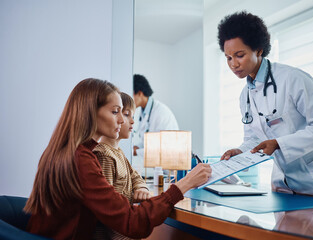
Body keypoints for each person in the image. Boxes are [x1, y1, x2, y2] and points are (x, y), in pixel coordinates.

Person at [24, 78, 211, 240]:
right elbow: (132, 223)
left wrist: (141, 187)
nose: (122, 120)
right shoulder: (82, 160)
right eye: (115, 112)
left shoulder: (61, 151)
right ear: (90, 112)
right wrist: (184, 184)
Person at [218, 11, 313, 199]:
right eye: (228, 58)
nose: (233, 64)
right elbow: (254, 138)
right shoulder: (245, 95)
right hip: (286, 184)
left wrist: (278, 144)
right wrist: (240, 151)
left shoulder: (292, 78)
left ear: (258, 50)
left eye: (240, 55)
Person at [93, 92, 150, 240]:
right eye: (126, 115)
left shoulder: (117, 152)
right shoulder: (104, 155)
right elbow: (108, 212)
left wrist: (141, 187)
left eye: (133, 116)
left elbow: (134, 175)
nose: (132, 121)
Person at [132, 74, 179, 176]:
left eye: (131, 95)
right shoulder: (144, 112)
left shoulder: (161, 113)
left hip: (169, 171)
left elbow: (161, 148)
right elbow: (147, 139)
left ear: (139, 93)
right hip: (159, 170)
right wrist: (136, 147)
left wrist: (137, 151)